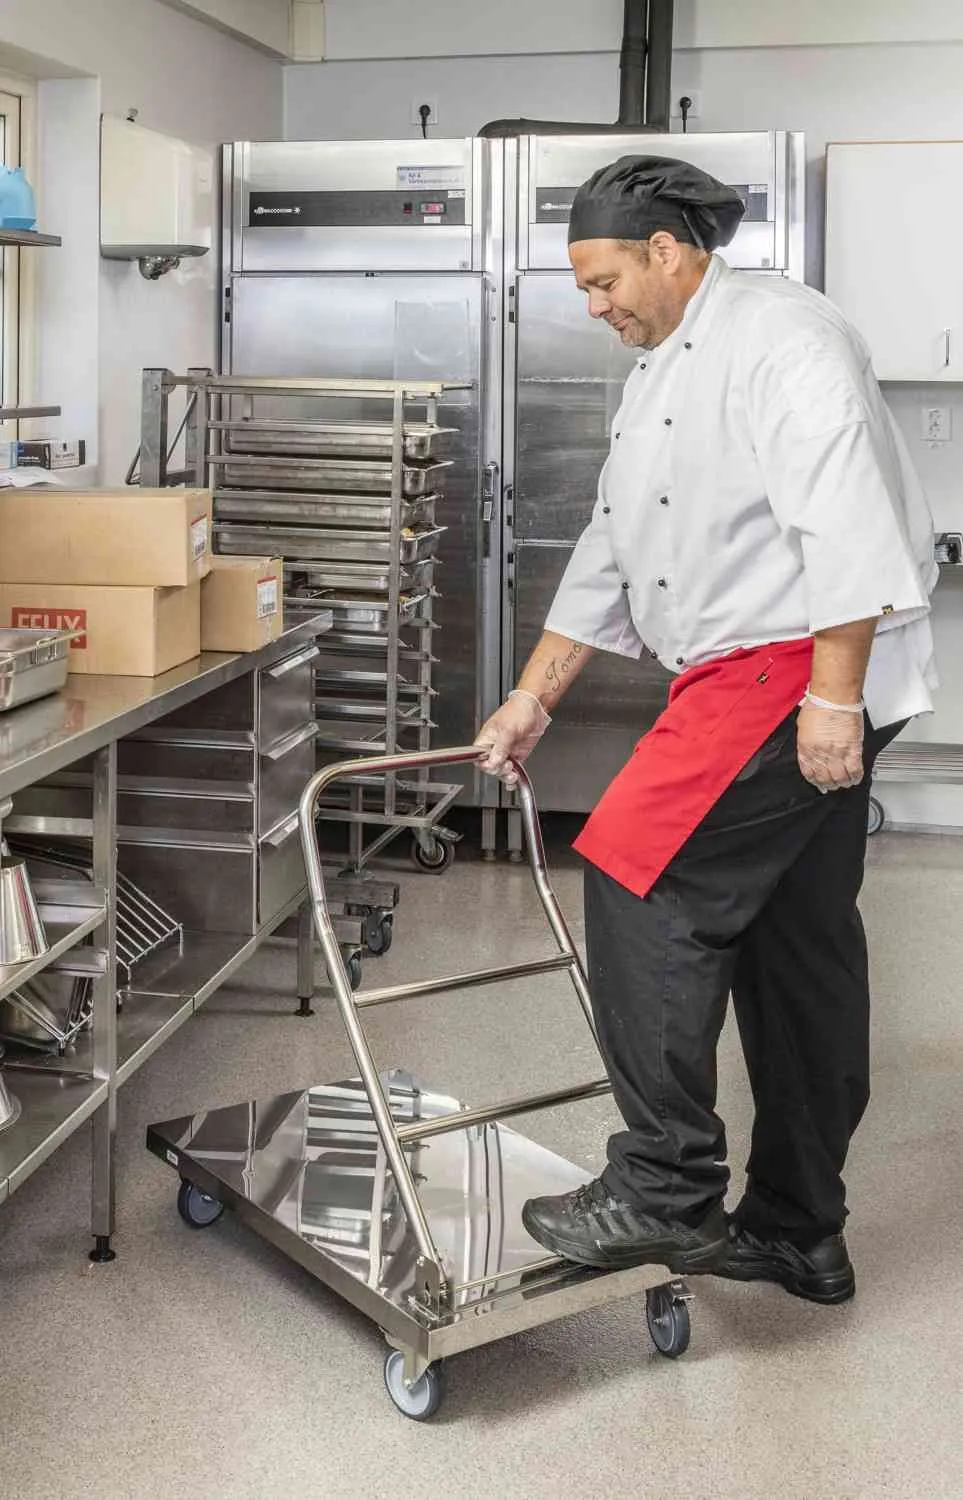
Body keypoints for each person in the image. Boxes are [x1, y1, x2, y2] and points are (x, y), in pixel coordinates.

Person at [475, 155, 938, 1304]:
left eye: (603, 282)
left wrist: (834, 699)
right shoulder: (658, 372)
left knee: (638, 872)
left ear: (667, 251)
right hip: (757, 671)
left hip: (792, 667)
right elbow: (611, 543)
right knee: (795, 943)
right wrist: (534, 695)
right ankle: (795, 1228)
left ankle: (665, 1187)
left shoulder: (783, 336)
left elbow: (845, 522)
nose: (594, 306)